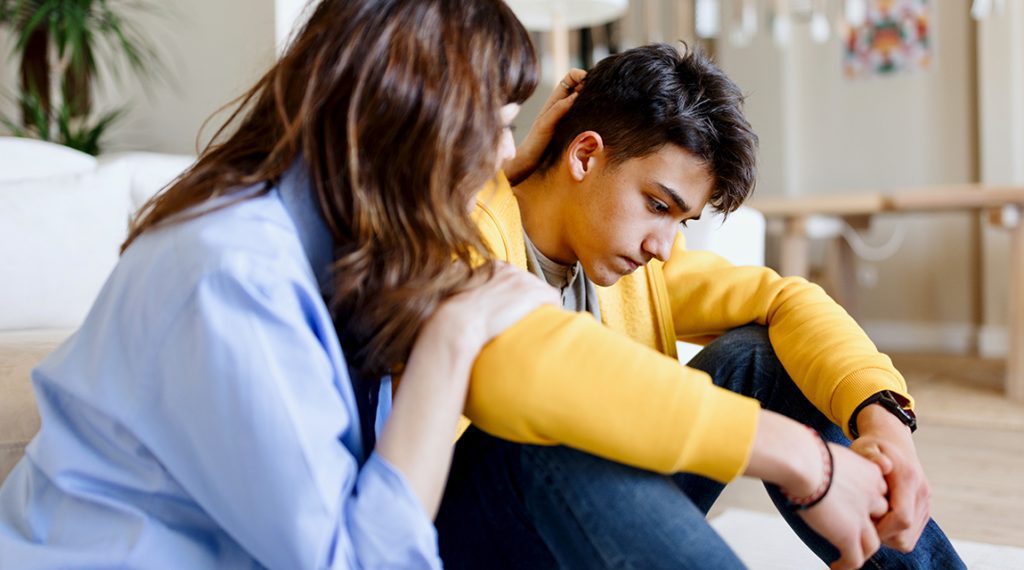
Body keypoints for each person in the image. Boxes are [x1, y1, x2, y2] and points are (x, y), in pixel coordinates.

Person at [0, 1, 557, 567]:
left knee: (538, 454)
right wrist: (452, 338)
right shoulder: (234, 275)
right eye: (497, 126)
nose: (507, 152)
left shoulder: (341, 245)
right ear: (412, 121)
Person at [437, 43, 965, 569]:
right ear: (584, 155)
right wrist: (803, 459)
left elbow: (786, 299)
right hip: (484, 535)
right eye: (657, 205)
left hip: (596, 516)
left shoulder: (635, 266)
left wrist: (886, 422)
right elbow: (531, 374)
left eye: (680, 220)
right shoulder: (462, 239)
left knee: (758, 355)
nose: (662, 246)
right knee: (549, 428)